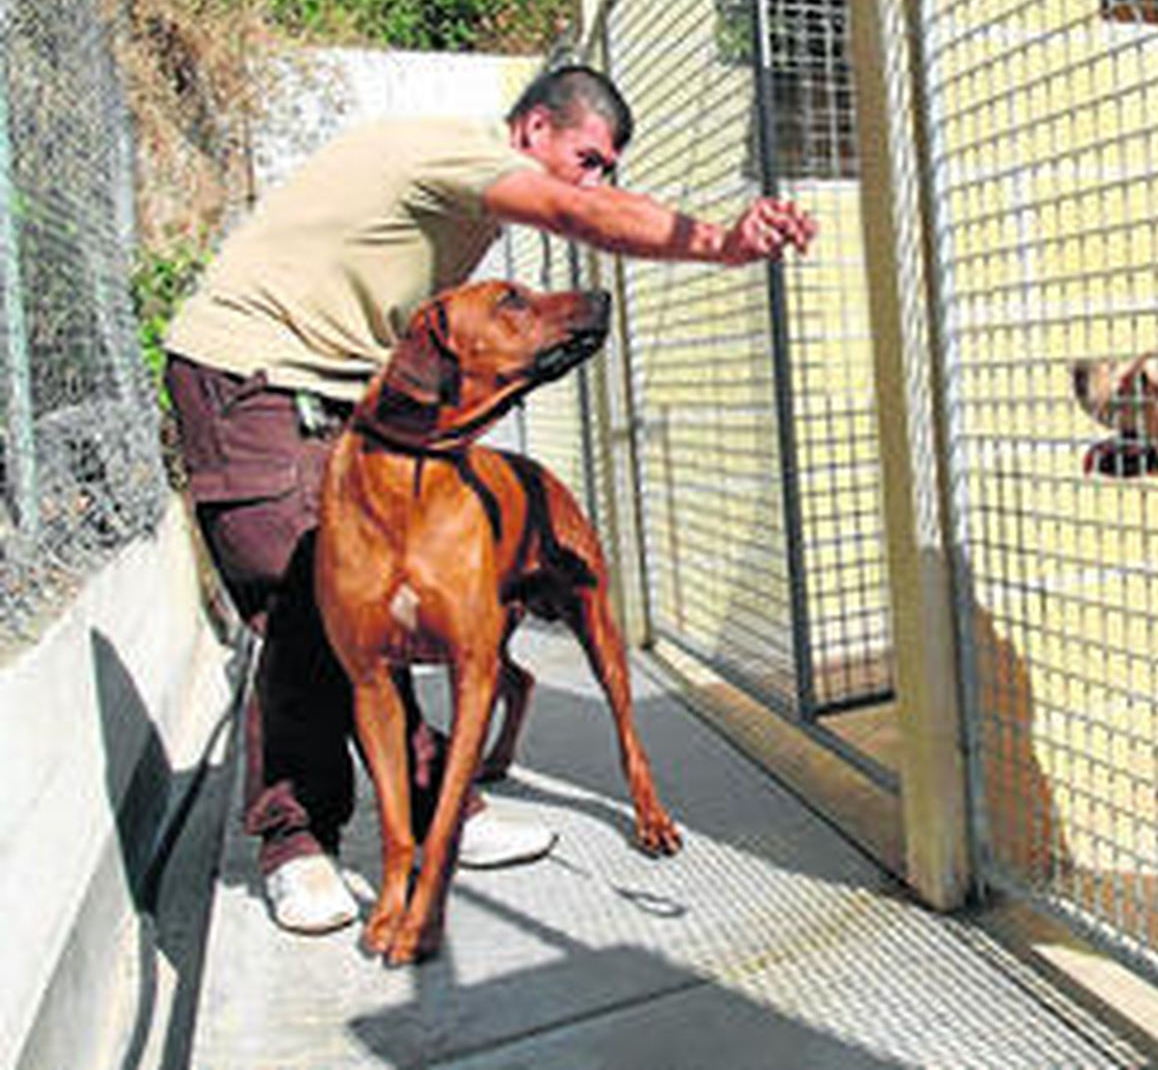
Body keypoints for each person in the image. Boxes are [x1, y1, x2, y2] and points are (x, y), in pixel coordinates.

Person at [164, 64, 817, 934]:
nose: (593, 179)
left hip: (331, 397)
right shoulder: (458, 153)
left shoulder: (459, 192)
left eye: (605, 167)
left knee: (369, 613)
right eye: (587, 157)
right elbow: (579, 215)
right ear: (533, 130)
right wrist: (721, 244)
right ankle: (298, 843)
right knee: (308, 612)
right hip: (250, 382)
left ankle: (445, 807)